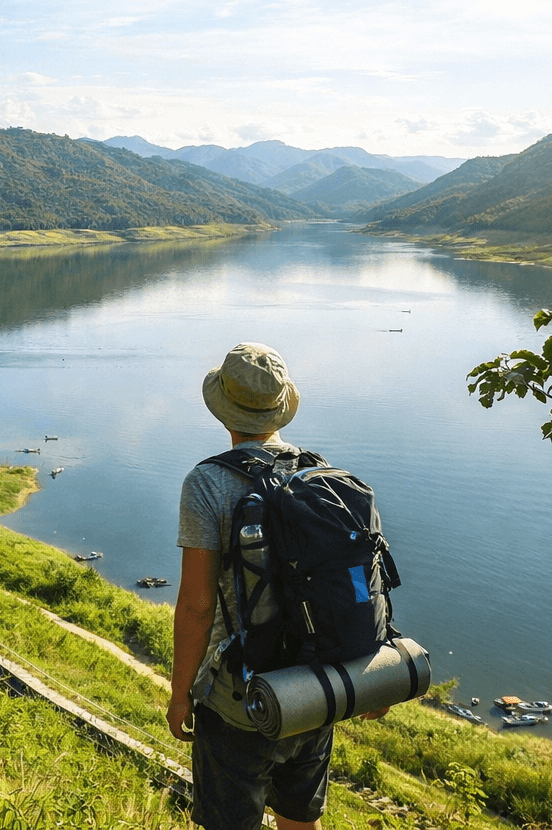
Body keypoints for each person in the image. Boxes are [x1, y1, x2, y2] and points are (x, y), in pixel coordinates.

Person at [167, 342, 386, 830]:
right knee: (299, 822)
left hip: (240, 700)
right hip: (317, 688)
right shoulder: (317, 471)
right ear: (281, 405)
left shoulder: (206, 483)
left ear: (224, 407)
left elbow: (198, 606)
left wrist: (181, 693)